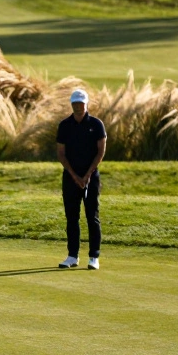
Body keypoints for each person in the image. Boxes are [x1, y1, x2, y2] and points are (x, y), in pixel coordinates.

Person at [56, 89, 106, 270]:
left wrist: (86, 176)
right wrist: (75, 176)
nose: (78, 107)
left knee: (92, 216)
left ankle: (94, 257)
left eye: (81, 104)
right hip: (70, 177)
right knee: (72, 218)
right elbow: (61, 154)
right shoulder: (65, 125)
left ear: (86, 104)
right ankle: (72, 256)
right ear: (71, 105)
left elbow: (101, 152)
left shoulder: (96, 124)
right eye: (75, 104)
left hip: (91, 177)